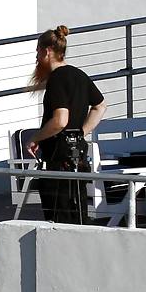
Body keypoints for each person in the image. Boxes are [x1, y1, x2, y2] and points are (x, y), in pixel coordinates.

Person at [26, 25, 107, 224]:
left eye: (37, 51)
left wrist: (35, 138)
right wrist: (80, 133)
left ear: (47, 51)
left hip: (58, 159)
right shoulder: (79, 75)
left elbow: (60, 119)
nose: (36, 57)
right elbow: (100, 106)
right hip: (76, 157)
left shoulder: (56, 79)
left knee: (58, 217)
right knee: (78, 213)